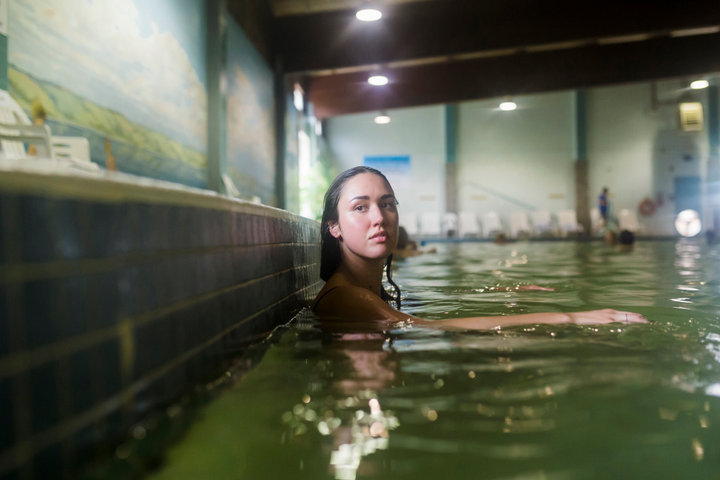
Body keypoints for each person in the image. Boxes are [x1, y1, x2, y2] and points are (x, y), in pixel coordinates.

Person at [311, 166, 647, 331]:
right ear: (334, 226)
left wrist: (502, 290)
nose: (379, 218)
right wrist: (571, 317)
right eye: (360, 207)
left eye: (387, 204)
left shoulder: (368, 290)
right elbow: (431, 328)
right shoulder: (347, 296)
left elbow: (418, 305)